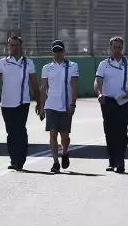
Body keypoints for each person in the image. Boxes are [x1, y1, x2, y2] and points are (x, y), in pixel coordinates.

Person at [0, 35, 41, 170]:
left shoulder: (28, 63)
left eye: (17, 45)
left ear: (21, 46)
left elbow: (35, 84)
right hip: (6, 103)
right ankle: (13, 159)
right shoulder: (2, 62)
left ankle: (20, 160)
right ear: (8, 47)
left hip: (22, 103)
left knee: (20, 130)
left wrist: (39, 102)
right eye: (11, 45)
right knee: (11, 132)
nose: (14, 48)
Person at [95, 36, 128, 173]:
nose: (117, 50)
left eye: (119, 47)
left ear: (122, 48)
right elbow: (97, 82)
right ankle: (112, 160)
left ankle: (121, 161)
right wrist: (99, 94)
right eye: (114, 47)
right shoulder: (104, 64)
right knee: (109, 131)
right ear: (110, 48)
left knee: (121, 131)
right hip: (108, 101)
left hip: (123, 101)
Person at [40, 39, 79, 173]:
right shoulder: (46, 68)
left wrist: (73, 103)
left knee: (64, 136)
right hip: (51, 105)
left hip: (66, 105)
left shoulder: (72, 66)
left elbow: (74, 87)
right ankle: (55, 162)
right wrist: (41, 106)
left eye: (59, 50)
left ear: (64, 51)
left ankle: (65, 152)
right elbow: (43, 87)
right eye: (55, 51)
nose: (57, 53)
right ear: (52, 52)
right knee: (52, 134)